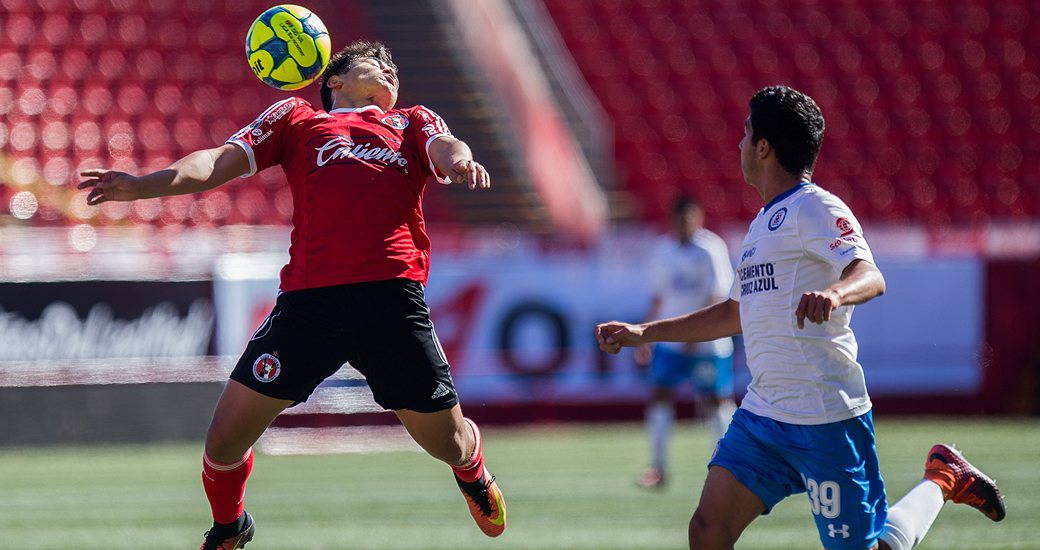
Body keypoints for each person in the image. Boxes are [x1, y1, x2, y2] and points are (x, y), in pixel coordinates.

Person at [79, 40, 506, 550]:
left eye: (395, 67)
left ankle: (472, 470)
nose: (391, 72)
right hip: (310, 306)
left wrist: (461, 161)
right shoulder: (296, 118)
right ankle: (230, 525)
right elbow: (218, 161)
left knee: (448, 444)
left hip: (390, 302)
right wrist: (145, 186)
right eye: (376, 65)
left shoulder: (412, 121)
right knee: (224, 438)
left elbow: (446, 146)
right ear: (335, 81)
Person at [596, 86, 1005, 550]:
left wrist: (834, 292)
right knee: (707, 531)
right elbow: (734, 313)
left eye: (746, 133)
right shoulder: (760, 225)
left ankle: (943, 478)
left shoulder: (816, 206)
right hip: (764, 416)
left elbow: (869, 274)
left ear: (764, 147)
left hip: (826, 419)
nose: (739, 144)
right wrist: (644, 332)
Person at [635, 195, 737, 489]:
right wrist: (645, 336)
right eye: (679, 219)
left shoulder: (711, 248)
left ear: (698, 218)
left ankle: (725, 468)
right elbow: (658, 296)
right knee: (660, 395)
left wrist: (698, 332)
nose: (684, 225)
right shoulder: (662, 251)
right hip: (671, 340)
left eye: (689, 219)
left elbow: (717, 294)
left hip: (707, 341)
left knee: (716, 399)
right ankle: (658, 467)